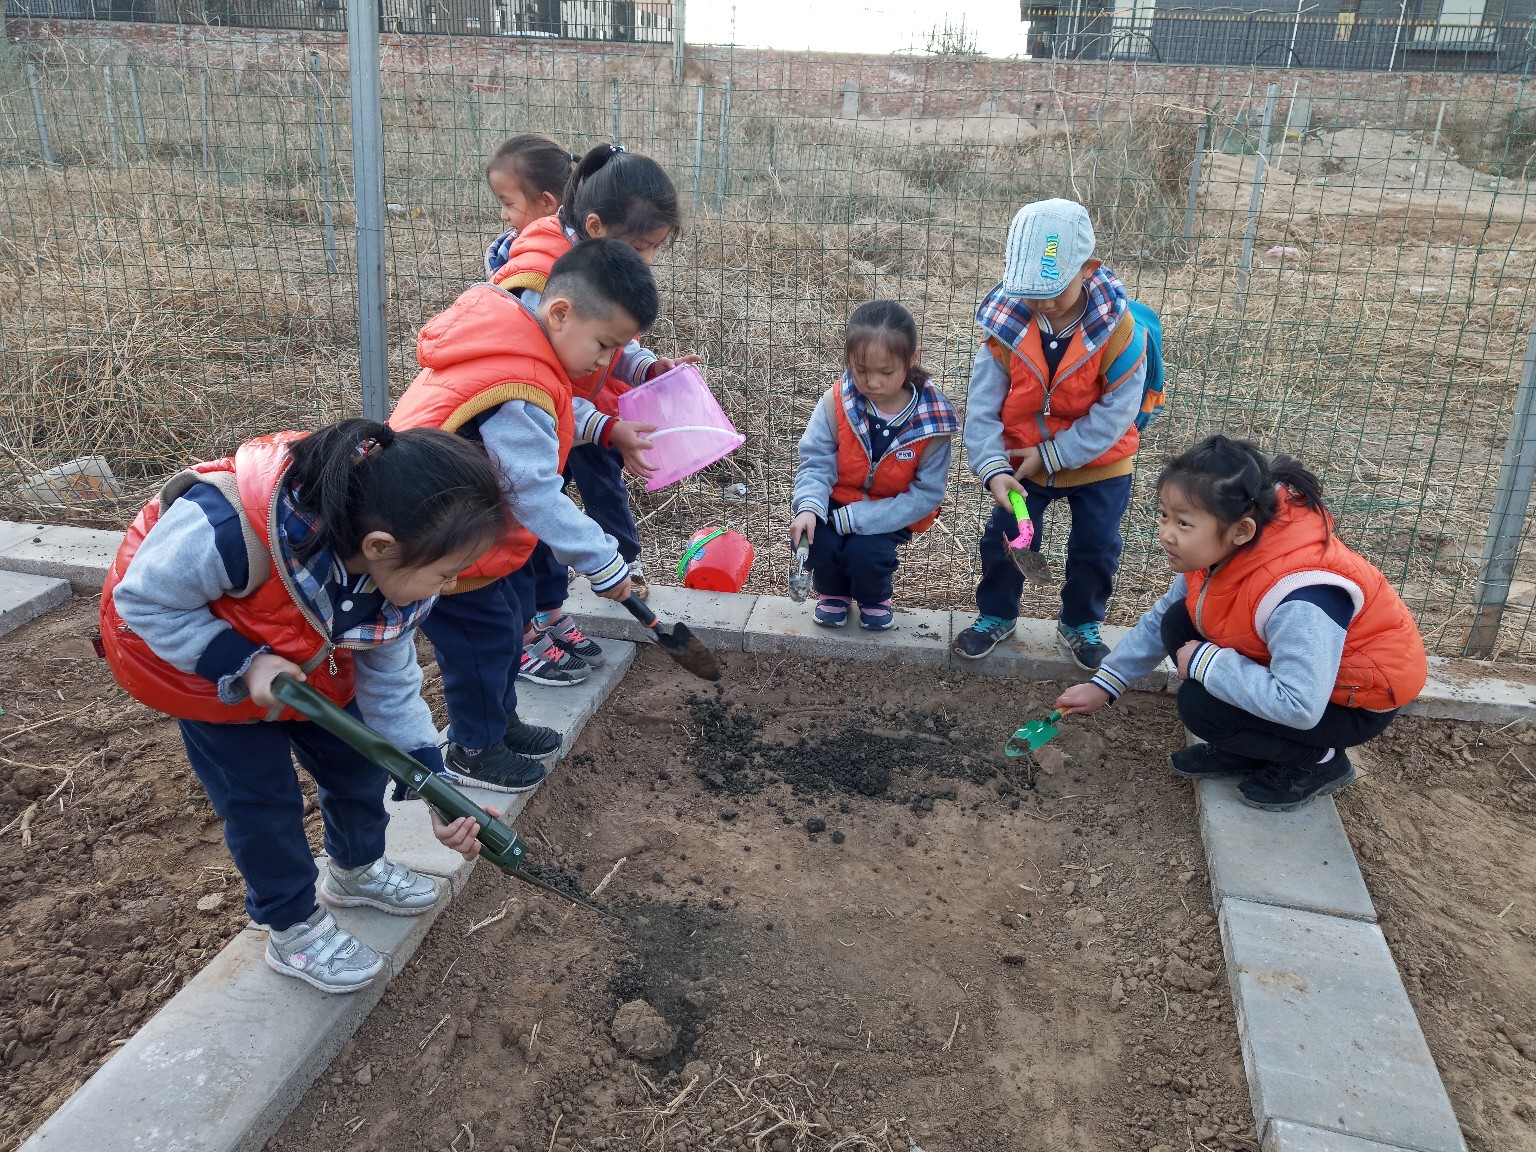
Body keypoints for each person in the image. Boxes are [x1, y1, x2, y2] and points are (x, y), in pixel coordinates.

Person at [100, 419, 509, 993]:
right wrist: (244, 663)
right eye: (445, 574)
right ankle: (291, 924)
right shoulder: (227, 528)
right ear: (380, 546)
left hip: (308, 667)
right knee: (262, 805)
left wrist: (434, 786)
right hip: (204, 672)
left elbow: (391, 685)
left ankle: (355, 868)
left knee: (357, 766)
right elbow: (144, 601)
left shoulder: (390, 584)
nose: (447, 587)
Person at [391, 239, 660, 793]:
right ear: (560, 312)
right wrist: (602, 562)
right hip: (441, 543)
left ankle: (501, 722)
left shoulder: (521, 343)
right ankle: (474, 748)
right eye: (604, 345)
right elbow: (534, 492)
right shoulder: (516, 387)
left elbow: (561, 417)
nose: (605, 363)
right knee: (481, 645)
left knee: (509, 623)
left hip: (474, 530)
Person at [1055, 436, 1428, 812]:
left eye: (1184, 523)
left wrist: (1207, 662)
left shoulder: (1300, 596)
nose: (1166, 533)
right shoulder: (1221, 551)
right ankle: (1252, 747)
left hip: (1350, 702)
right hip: (1312, 680)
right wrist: (1105, 684)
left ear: (1242, 530)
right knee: (1177, 620)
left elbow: (1301, 705)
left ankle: (1321, 761)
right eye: (1164, 515)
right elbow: (1160, 618)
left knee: (1201, 706)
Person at [492, 144, 698, 681]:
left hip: (559, 425)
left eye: (654, 249)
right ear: (595, 227)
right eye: (641, 246)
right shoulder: (539, 283)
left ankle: (549, 614)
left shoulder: (588, 268)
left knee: (544, 521)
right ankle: (522, 634)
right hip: (515, 438)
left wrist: (646, 368)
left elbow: (611, 341)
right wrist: (604, 427)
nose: (646, 261)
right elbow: (534, 389)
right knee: (522, 531)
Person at [953, 198, 1150, 672]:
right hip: (1022, 462)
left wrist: (1054, 453)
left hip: (1100, 462)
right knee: (1008, 537)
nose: (1041, 304)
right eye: (1029, 293)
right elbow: (982, 408)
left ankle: (1081, 624)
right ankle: (997, 615)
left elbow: (1115, 415)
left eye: (1053, 292)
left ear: (1088, 269)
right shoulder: (1004, 328)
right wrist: (993, 468)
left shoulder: (1120, 332)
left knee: (1096, 547)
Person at [789, 300, 957, 630]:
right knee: (818, 540)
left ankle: (874, 598)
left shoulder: (933, 423)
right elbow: (816, 461)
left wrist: (860, 518)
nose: (873, 382)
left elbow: (927, 494)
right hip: (835, 502)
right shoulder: (836, 403)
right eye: (861, 370)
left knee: (866, 553)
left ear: (911, 359)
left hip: (891, 510)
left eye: (886, 372)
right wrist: (808, 507)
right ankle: (832, 593)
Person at [483, 133, 575, 281]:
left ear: (546, 202)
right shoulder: (508, 248)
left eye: (509, 204)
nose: (503, 215)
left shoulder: (550, 265)